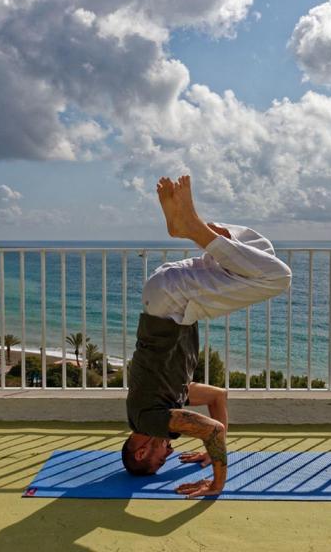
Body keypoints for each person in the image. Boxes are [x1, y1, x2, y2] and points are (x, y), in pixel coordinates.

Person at [122, 174, 292, 498]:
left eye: (161, 459)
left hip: (173, 300)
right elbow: (218, 397)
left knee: (277, 277)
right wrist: (209, 451)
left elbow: (212, 430)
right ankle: (192, 229)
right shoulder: (157, 402)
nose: (169, 453)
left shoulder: (149, 421)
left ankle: (191, 227)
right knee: (261, 251)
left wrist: (216, 483)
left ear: (142, 452)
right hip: (165, 291)